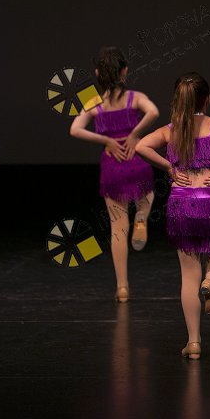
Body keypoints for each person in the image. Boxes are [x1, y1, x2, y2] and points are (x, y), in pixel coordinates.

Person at [136, 72, 210, 359]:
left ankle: (194, 342)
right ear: (207, 99)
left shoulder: (171, 130)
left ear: (179, 100)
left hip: (182, 202)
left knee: (188, 275)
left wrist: (168, 168)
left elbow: (140, 146)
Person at [70, 46, 159, 302]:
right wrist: (134, 134)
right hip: (135, 159)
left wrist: (106, 140)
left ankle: (122, 287)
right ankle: (141, 216)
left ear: (98, 74)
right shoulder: (134, 97)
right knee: (148, 194)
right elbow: (153, 111)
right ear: (125, 71)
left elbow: (75, 129)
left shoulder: (94, 102)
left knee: (118, 227)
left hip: (112, 165)